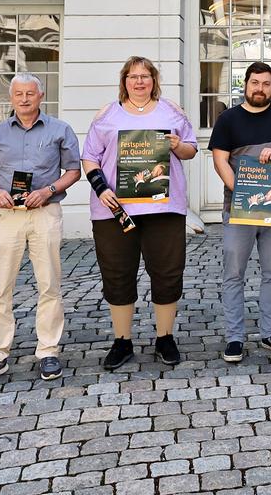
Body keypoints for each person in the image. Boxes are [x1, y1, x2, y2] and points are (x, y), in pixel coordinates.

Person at [83, 56, 198, 368]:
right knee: (117, 273)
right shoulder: (107, 113)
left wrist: (175, 144)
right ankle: (122, 341)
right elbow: (90, 157)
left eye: (145, 76)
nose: (139, 82)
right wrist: (100, 187)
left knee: (167, 271)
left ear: (153, 80)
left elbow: (190, 149)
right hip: (115, 209)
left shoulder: (171, 111)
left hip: (164, 207)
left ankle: (165, 337)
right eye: (133, 76)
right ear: (124, 81)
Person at [0, 73, 82, 386]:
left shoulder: (60, 130)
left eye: (29, 94)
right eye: (18, 94)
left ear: (40, 95)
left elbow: (73, 170)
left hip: (45, 212)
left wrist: (48, 190)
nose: (24, 99)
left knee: (49, 284)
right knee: (0, 285)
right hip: (8, 215)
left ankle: (48, 350)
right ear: (11, 98)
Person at [209, 62, 271, 363]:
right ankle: (235, 338)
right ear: (245, 84)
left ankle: (270, 332)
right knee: (234, 273)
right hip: (239, 210)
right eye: (255, 83)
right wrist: (240, 192)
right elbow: (220, 160)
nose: (259, 89)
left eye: (266, 84)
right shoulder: (228, 119)